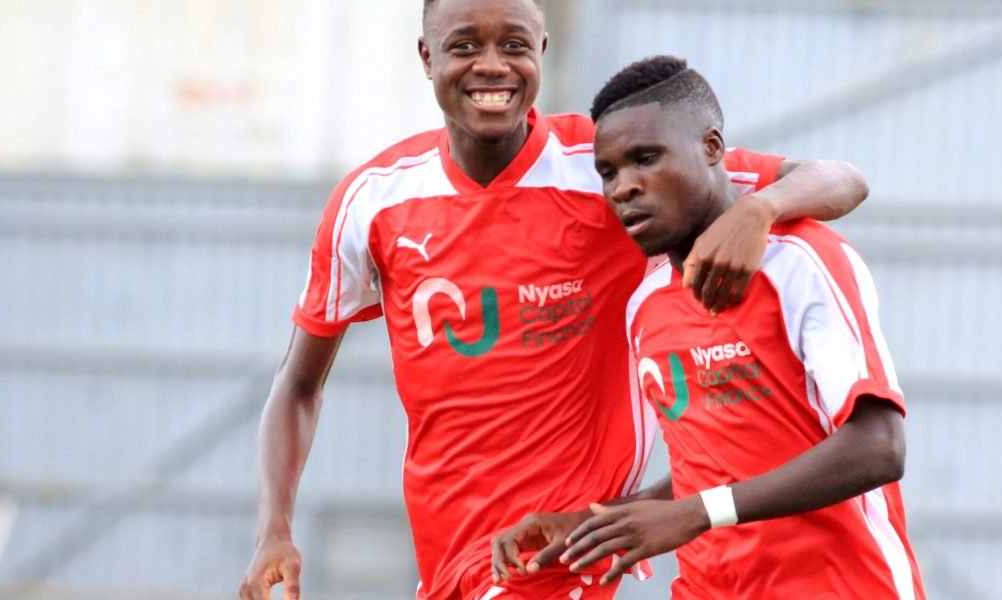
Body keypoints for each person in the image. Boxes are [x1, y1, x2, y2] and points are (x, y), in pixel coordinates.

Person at [237, 0, 871, 598]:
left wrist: (760, 209)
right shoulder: (372, 202)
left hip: (558, 559)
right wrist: (273, 530)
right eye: (465, 46)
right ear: (427, 57)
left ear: (541, 49)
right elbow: (298, 384)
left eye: (514, 44)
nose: (492, 65)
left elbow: (840, 179)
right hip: (458, 558)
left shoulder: (609, 165)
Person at [492, 56, 926, 599]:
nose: (623, 187)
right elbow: (712, 469)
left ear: (713, 147)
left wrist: (697, 513)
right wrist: (592, 522)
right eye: (608, 172)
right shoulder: (646, 304)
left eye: (645, 159)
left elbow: (878, 448)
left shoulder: (800, 261)